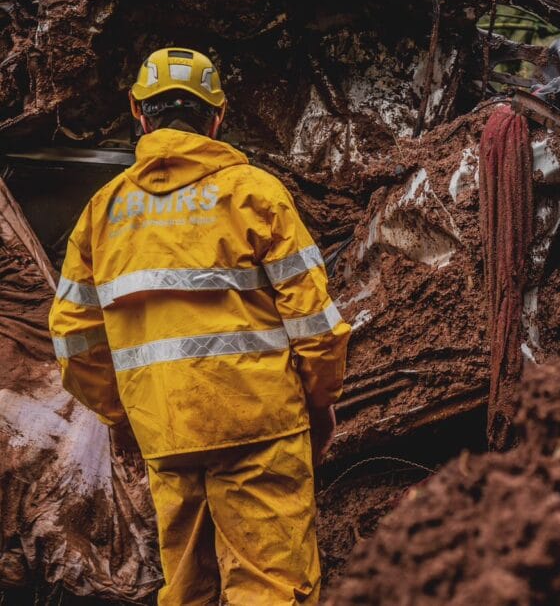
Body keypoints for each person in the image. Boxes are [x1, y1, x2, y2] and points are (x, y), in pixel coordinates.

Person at [48, 47, 350, 604]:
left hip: (164, 429)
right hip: (260, 429)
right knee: (272, 590)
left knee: (187, 589)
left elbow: (73, 338)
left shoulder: (103, 212)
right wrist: (321, 396)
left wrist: (121, 417)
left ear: (138, 113)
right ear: (218, 116)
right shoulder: (255, 194)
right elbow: (315, 323)